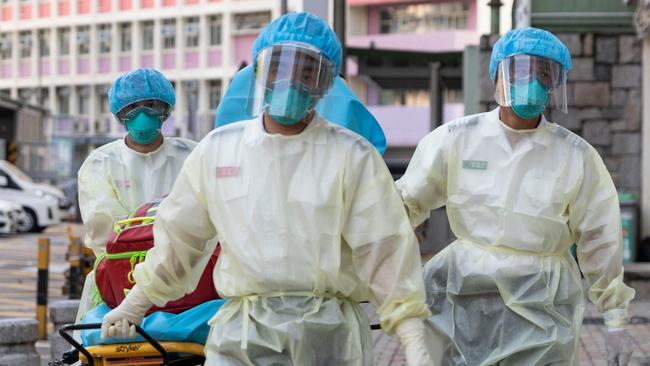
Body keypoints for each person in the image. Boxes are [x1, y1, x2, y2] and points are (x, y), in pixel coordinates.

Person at [100, 12, 433, 366]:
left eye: (308, 73)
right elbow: (181, 242)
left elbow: (384, 252)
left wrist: (413, 340)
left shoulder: (352, 155)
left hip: (329, 337)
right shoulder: (218, 150)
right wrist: (134, 305)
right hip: (243, 336)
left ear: (325, 85)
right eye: (279, 67)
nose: (291, 82)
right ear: (260, 71)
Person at [396, 27, 636, 366]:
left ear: (555, 84)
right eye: (522, 71)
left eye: (543, 74)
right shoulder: (455, 139)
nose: (533, 82)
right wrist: (376, 270)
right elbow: (403, 206)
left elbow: (600, 238)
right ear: (499, 76)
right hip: (464, 299)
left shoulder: (575, 156)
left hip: (543, 309)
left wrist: (615, 316)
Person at [76, 68, 196, 321]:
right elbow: (106, 234)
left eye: (152, 105)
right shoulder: (101, 163)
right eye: (133, 107)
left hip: (189, 278)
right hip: (118, 278)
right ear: (120, 115)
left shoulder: (192, 156)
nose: (143, 115)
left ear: (166, 110)